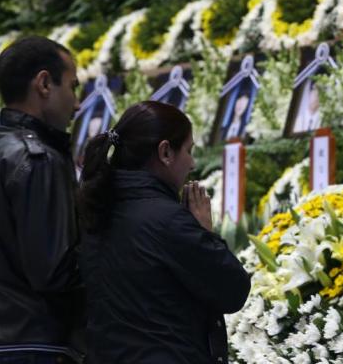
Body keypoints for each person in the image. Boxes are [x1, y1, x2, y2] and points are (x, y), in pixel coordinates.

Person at [78, 101, 250, 364]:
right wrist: (205, 233)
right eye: (189, 151)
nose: (192, 163)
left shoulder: (95, 210)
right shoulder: (168, 221)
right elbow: (233, 290)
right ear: (165, 152)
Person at [0, 36, 84, 363]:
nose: (77, 104)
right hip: (35, 343)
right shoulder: (37, 160)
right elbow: (54, 272)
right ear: (45, 84)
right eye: (73, 87)